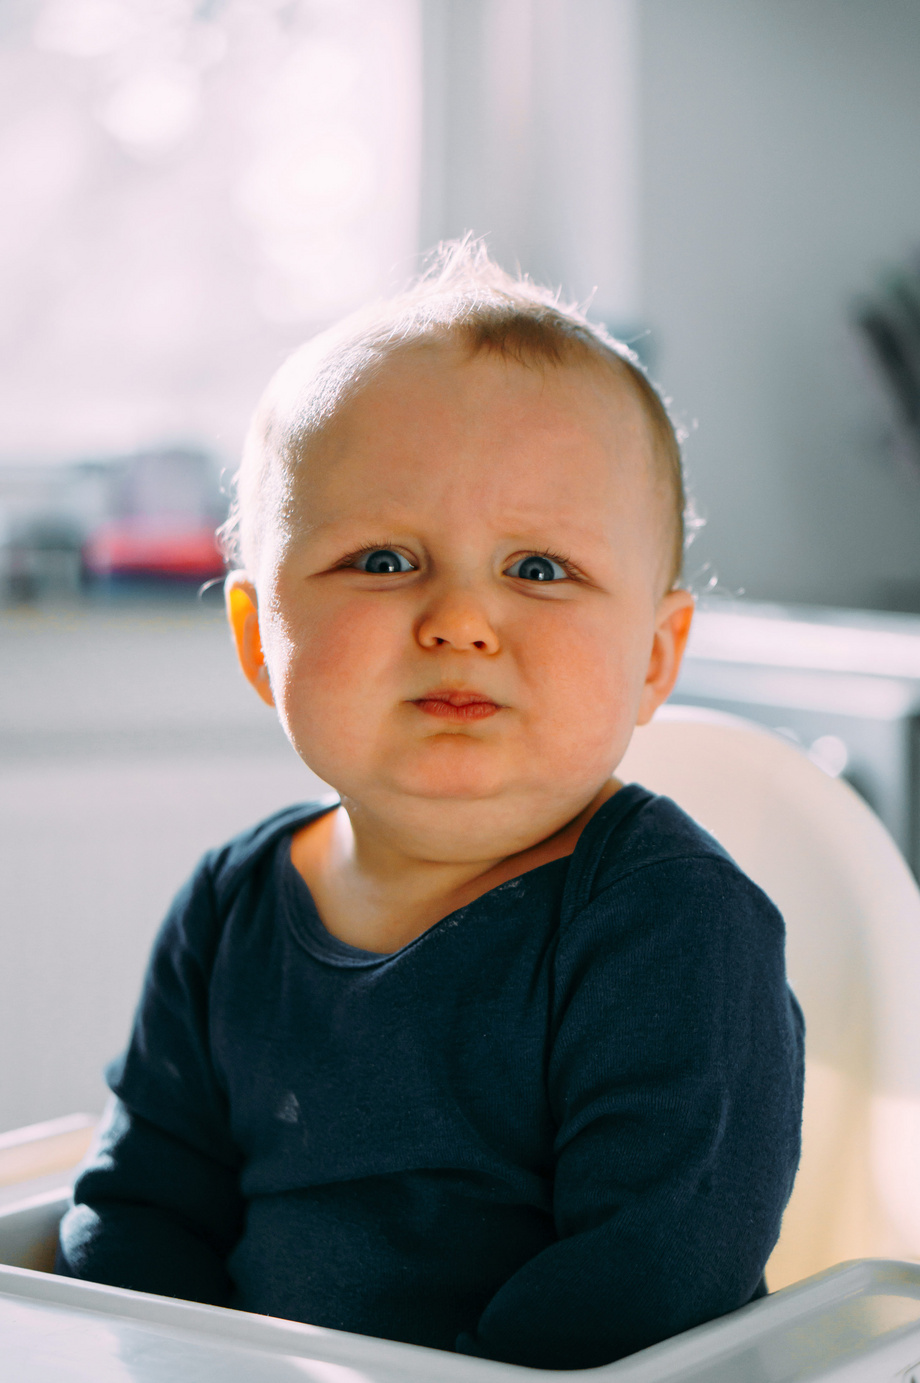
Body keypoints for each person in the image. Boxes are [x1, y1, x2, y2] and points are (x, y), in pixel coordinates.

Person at [56, 241, 804, 1370]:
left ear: (653, 658)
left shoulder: (669, 926)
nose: (459, 619)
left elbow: (653, 1270)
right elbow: (143, 1205)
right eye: (385, 558)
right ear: (263, 642)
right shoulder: (228, 910)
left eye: (539, 570)